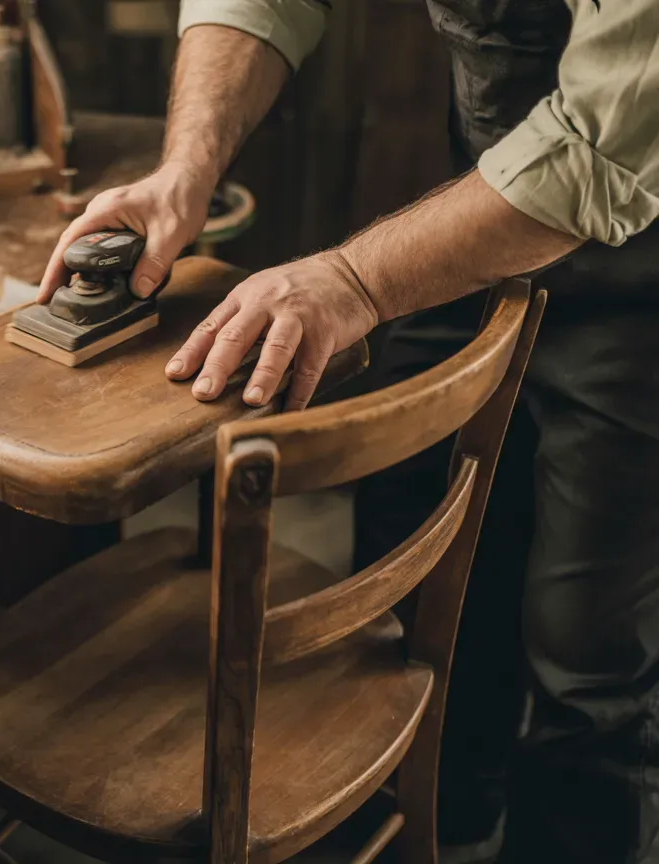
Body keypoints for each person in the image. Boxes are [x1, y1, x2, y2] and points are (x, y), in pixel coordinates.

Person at [38, 3, 659, 862]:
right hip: (490, 227)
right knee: (417, 543)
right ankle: (445, 824)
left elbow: (604, 144)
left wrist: (352, 281)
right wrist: (186, 167)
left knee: (590, 663)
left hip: (642, 263)